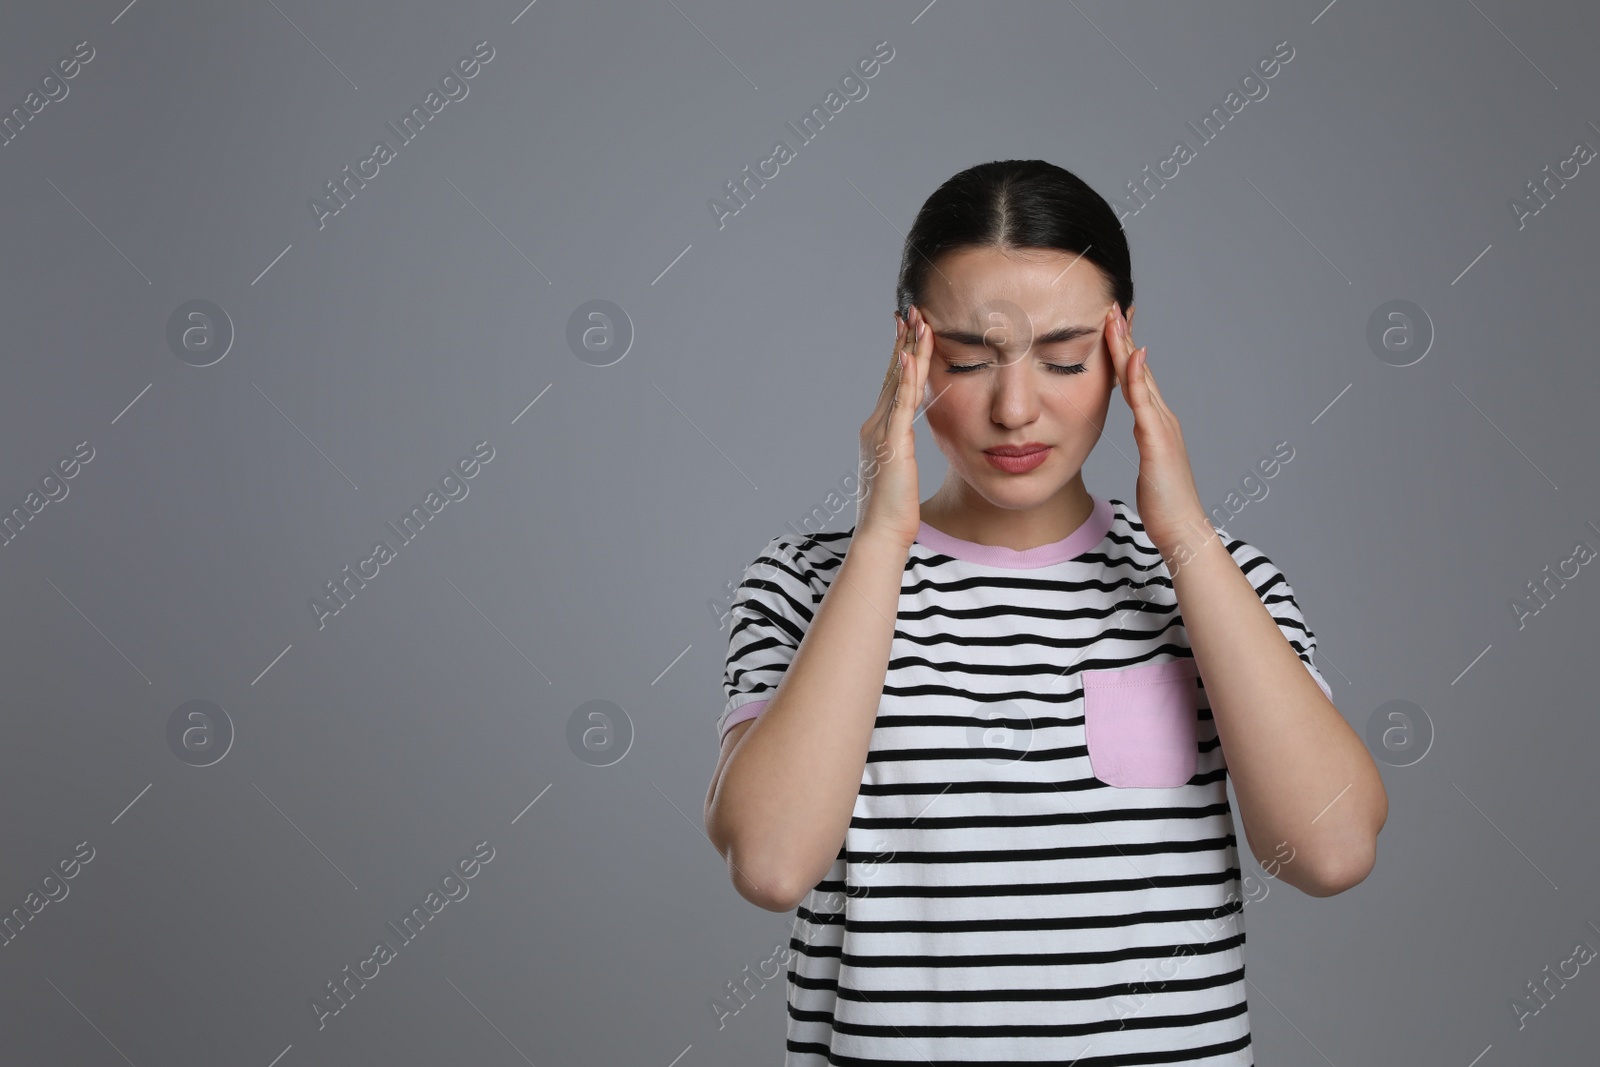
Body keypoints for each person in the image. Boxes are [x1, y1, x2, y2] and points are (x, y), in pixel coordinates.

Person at [704, 159, 1387, 1065]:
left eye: (1064, 358)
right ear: (909, 351)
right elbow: (772, 862)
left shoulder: (1222, 583)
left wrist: (1181, 533)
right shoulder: (801, 581)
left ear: (1122, 343)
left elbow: (1331, 850)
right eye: (967, 361)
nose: (1016, 409)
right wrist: (880, 540)